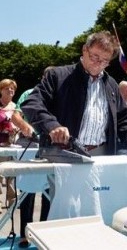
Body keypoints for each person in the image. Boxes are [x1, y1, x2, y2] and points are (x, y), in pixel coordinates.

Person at [21, 31, 127, 157]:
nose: (98, 64)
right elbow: (32, 103)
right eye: (95, 57)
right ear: (84, 50)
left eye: (105, 61)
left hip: (102, 154)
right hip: (62, 153)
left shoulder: (111, 84)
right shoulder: (58, 76)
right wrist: (51, 125)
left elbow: (123, 119)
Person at [16, 67, 53, 248]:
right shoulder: (29, 93)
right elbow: (16, 115)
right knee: (28, 192)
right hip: (30, 146)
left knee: (50, 193)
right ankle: (25, 233)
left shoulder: (61, 95)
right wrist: (25, 126)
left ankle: (43, 231)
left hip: (52, 148)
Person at [0, 79, 33, 212]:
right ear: (1, 90)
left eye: (12, 88)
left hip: (14, 144)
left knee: (13, 173)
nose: (10, 90)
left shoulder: (16, 107)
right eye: (7, 88)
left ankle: (12, 201)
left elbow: (22, 123)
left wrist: (18, 129)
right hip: (0, 144)